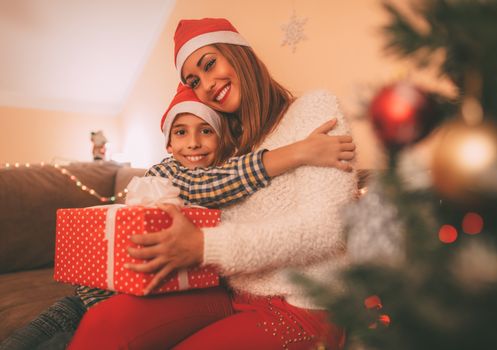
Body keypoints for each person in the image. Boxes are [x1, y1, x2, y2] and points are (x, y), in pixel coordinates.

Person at [0, 77, 354, 350]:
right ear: (168, 144)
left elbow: (227, 180)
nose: (194, 142)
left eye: (205, 132)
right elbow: (214, 184)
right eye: (181, 133)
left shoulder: (231, 164)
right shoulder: (167, 174)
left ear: (222, 141)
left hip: (162, 293)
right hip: (93, 297)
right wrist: (297, 153)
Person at [68, 17, 358, 350]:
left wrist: (205, 245)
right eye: (194, 80)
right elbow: (203, 182)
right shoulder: (226, 145)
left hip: (305, 304)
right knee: (106, 322)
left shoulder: (314, 110)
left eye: (209, 64)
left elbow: (328, 229)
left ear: (239, 54)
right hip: (229, 293)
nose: (206, 84)